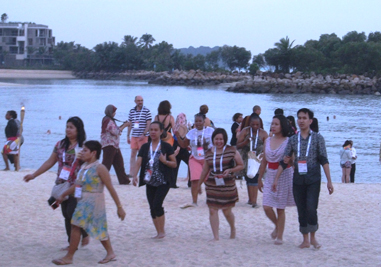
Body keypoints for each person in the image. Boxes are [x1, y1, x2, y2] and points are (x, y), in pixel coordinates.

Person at [52, 141, 126, 265]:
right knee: (98, 227)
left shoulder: (100, 168)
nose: (82, 152)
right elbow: (77, 185)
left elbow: (110, 188)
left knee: (76, 225)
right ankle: (110, 253)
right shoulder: (84, 167)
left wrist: (119, 207)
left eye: (85, 150)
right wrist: (63, 194)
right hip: (83, 201)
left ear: (93, 153)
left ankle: (69, 256)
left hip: (94, 201)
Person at [23, 117, 89, 248]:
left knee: (72, 212)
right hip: (61, 183)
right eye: (67, 126)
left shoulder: (83, 146)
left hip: (77, 184)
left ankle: (84, 233)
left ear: (78, 130)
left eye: (71, 127)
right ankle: (71, 242)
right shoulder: (60, 145)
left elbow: (91, 164)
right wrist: (34, 175)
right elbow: (50, 162)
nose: (68, 129)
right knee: (65, 214)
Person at [274, 108, 334, 249]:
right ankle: (305, 239)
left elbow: (324, 159)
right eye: (299, 118)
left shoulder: (318, 138)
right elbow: (285, 160)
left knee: (311, 207)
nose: (301, 120)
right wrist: (276, 178)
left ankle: (313, 237)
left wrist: (329, 181)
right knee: (301, 209)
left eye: (304, 118)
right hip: (298, 178)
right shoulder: (293, 139)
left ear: (310, 121)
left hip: (313, 176)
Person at [132, 121, 177, 238]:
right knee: (152, 207)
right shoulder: (145, 147)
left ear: (161, 131)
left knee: (157, 204)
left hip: (163, 181)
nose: (153, 132)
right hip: (149, 181)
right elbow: (139, 162)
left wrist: (165, 161)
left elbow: (174, 164)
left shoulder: (166, 146)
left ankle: (162, 231)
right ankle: (158, 232)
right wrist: (134, 175)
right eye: (151, 129)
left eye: (156, 130)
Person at [198, 128, 243, 241]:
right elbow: (205, 170)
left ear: (224, 139)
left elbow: (241, 165)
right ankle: (215, 237)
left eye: (221, 139)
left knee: (226, 211)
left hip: (227, 184)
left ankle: (232, 228)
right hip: (212, 185)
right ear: (213, 139)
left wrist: (231, 170)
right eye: (216, 139)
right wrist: (198, 184)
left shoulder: (231, 150)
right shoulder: (208, 152)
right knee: (212, 209)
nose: (219, 141)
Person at [258, 115, 295, 245]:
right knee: (267, 206)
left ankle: (280, 236)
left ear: (282, 126)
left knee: (280, 207)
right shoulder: (267, 141)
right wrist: (259, 178)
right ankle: (277, 226)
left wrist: (290, 160)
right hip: (270, 174)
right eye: (272, 123)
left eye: (276, 124)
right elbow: (264, 161)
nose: (273, 126)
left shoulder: (288, 141)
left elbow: (292, 160)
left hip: (284, 174)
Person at [175, 113, 214, 208]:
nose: (198, 123)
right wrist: (178, 136)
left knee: (208, 181)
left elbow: (218, 142)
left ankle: (210, 200)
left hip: (207, 158)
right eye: (196, 121)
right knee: (194, 180)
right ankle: (194, 201)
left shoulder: (211, 131)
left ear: (204, 121)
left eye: (200, 121)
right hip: (195, 158)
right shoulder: (191, 132)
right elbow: (184, 145)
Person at [236, 113, 268, 208]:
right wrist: (246, 141)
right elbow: (238, 145)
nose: (255, 126)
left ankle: (254, 201)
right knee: (249, 177)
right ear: (249, 124)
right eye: (253, 124)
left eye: (257, 125)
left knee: (255, 177)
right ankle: (250, 199)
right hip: (247, 157)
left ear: (260, 124)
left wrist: (264, 154)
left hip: (258, 158)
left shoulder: (263, 133)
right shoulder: (245, 131)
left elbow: (267, 146)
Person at [101, 105, 130, 184]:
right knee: (107, 164)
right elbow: (116, 132)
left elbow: (115, 130)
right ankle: (100, 179)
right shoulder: (108, 121)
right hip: (109, 145)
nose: (115, 113)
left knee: (119, 163)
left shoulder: (108, 119)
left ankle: (124, 180)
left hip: (114, 145)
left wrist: (122, 125)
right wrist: (125, 125)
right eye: (114, 112)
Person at [127, 95, 152, 179]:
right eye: (138, 100)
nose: (140, 102)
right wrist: (128, 135)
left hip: (143, 136)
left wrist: (144, 134)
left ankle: (144, 172)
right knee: (133, 154)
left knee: (143, 155)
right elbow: (130, 124)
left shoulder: (146, 111)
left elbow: (149, 124)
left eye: (141, 100)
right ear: (135, 101)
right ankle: (132, 172)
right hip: (134, 135)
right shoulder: (131, 111)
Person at [172, 113, 190, 188]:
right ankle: (190, 182)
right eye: (181, 118)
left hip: (176, 144)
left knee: (176, 164)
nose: (182, 119)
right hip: (181, 145)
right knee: (190, 162)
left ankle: (172, 183)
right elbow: (183, 136)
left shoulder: (176, 125)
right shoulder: (183, 126)